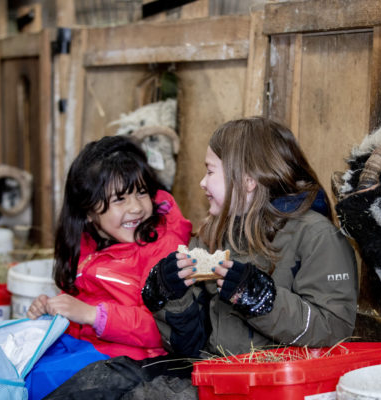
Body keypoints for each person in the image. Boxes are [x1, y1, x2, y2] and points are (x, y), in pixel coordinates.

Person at [44, 117, 358, 400]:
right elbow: (188, 347)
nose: (202, 184)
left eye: (210, 171)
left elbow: (335, 328)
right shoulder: (215, 234)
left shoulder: (318, 236)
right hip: (207, 369)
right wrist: (169, 296)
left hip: (264, 382)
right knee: (93, 383)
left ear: (246, 180)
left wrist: (262, 300)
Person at [25, 135, 192, 399]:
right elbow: (83, 298)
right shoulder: (91, 243)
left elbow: (164, 328)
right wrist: (53, 306)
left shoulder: (163, 249)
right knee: (22, 367)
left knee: (43, 381)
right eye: (120, 199)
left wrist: (94, 315)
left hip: (132, 360)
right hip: (85, 348)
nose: (136, 207)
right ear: (89, 212)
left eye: (141, 193)